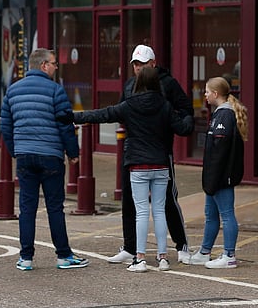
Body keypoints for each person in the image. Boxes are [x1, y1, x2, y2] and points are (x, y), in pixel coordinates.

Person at [75, 66, 191, 272]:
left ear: (137, 83)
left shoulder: (128, 105)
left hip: (137, 164)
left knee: (141, 212)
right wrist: (190, 117)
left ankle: (140, 258)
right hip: (161, 164)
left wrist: (73, 116)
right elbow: (183, 128)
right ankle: (163, 258)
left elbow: (102, 115)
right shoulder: (165, 105)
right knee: (159, 211)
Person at [0, 48, 89, 271]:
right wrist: (73, 153)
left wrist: (15, 151)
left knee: (27, 208)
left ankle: (26, 258)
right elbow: (65, 125)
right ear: (43, 66)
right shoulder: (56, 91)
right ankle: (63, 256)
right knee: (54, 208)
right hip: (50, 156)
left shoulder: (12, 91)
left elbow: (5, 125)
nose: (56, 67)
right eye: (54, 63)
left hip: (25, 157)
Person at [109, 44, 195, 265]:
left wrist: (175, 124)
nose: (138, 68)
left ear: (153, 63)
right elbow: (120, 111)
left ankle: (182, 245)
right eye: (135, 64)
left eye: (142, 64)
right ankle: (130, 247)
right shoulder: (129, 86)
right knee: (130, 201)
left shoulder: (168, 84)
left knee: (167, 201)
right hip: (134, 151)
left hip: (160, 151)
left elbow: (186, 110)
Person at [185, 76, 246, 269]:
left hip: (221, 177)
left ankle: (229, 255)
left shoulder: (225, 116)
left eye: (207, 91)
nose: (205, 95)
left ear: (215, 93)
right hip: (215, 177)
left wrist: (214, 178)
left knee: (227, 214)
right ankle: (205, 252)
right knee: (210, 214)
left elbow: (220, 152)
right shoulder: (220, 114)